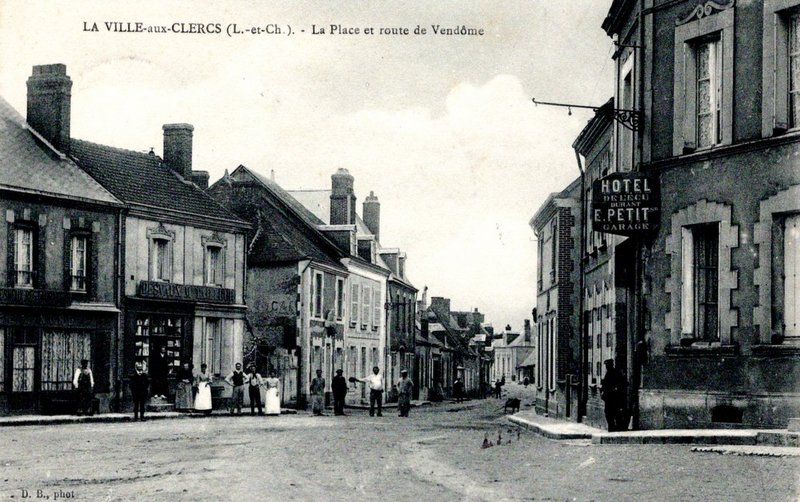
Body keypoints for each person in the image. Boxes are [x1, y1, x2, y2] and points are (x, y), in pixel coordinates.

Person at [601, 359, 626, 432]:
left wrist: (617, 389)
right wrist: (603, 391)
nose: (606, 367)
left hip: (615, 398)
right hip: (608, 398)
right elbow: (605, 384)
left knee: (616, 413)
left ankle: (616, 427)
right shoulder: (608, 373)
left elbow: (622, 384)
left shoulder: (616, 373)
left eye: (607, 365)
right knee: (608, 413)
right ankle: (611, 427)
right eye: (606, 365)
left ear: (611, 365)